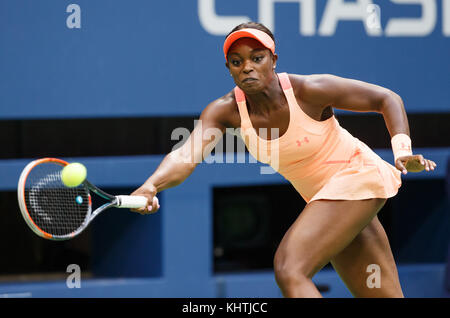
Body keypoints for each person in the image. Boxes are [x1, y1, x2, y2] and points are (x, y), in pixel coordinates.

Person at [130, 22, 436, 298]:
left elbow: (386, 99)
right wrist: (150, 186)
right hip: (332, 201)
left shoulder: (308, 90)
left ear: (274, 60)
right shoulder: (225, 112)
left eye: (257, 58)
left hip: (359, 177)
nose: (247, 67)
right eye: (237, 62)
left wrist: (402, 152)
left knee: (290, 268)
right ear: (229, 69)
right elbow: (186, 155)